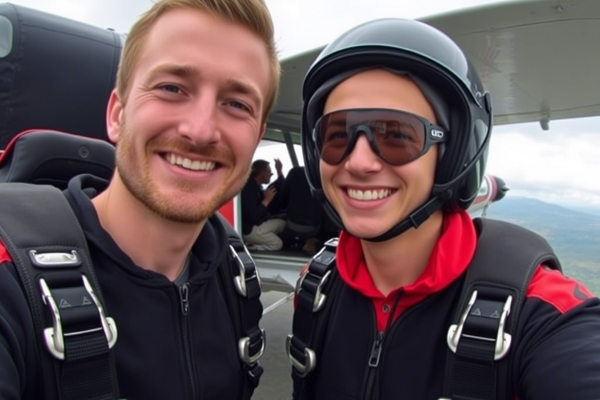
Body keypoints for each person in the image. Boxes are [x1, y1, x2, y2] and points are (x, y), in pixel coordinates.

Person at [290, 18, 600, 400]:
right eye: (337, 135)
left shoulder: (539, 312)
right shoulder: (317, 287)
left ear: (453, 156)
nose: (359, 162)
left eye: (397, 135)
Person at [0, 0, 279, 399]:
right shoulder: (12, 284)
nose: (200, 130)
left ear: (256, 137)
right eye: (172, 88)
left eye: (237, 104)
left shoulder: (235, 282)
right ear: (117, 114)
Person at [241, 158, 286, 250]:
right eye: (268, 171)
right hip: (250, 230)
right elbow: (254, 217)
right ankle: (251, 247)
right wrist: (266, 201)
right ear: (261, 173)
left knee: (283, 222)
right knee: (277, 244)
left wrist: (279, 171)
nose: (271, 174)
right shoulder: (248, 190)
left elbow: (278, 184)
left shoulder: (257, 187)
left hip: (256, 225)